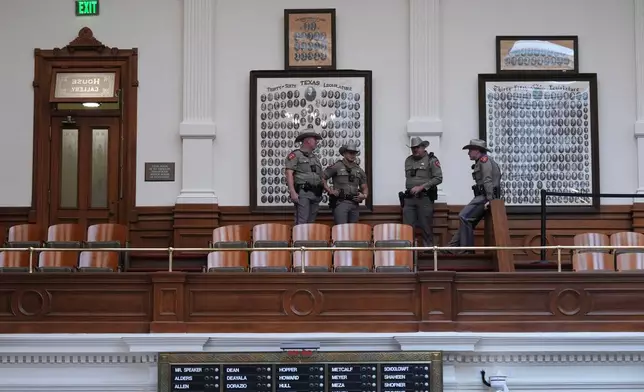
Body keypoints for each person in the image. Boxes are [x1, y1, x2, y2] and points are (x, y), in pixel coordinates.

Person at [447, 138, 502, 253]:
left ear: (477, 150)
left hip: (485, 196)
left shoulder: (484, 161)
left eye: (470, 150)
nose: (468, 153)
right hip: (482, 196)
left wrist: (490, 199)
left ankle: (467, 251)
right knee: (467, 220)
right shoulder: (481, 161)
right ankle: (452, 248)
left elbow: (487, 180)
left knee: (464, 216)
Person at [400, 137, 443, 248]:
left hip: (424, 198)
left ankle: (428, 252)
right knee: (407, 227)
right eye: (413, 148)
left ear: (423, 147)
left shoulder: (431, 160)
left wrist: (422, 187)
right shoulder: (408, 160)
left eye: (417, 147)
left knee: (426, 226)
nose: (415, 150)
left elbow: (438, 178)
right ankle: (408, 253)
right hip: (409, 199)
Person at [323, 141, 368, 224]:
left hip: (355, 203)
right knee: (341, 231)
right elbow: (322, 177)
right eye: (350, 153)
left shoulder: (359, 170)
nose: (352, 155)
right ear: (344, 153)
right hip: (341, 202)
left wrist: (364, 196)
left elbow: (364, 187)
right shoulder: (337, 166)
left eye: (354, 153)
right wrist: (330, 190)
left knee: (353, 231)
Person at [285, 131, 324, 224]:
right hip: (303, 193)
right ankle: (299, 239)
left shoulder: (315, 158)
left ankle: (309, 239)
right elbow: (289, 173)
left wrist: (327, 189)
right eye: (315, 140)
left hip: (316, 193)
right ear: (308, 141)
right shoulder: (295, 155)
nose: (317, 142)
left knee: (311, 223)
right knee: (302, 222)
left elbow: (320, 176)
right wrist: (293, 192)